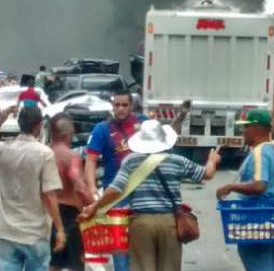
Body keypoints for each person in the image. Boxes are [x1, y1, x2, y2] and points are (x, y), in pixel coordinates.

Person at [79, 120, 221, 271]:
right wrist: (212, 160)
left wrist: (95, 207)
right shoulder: (178, 161)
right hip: (170, 223)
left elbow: (115, 189)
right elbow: (207, 174)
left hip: (141, 223)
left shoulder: (131, 161)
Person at [84, 92, 189, 271]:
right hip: (117, 199)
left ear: (131, 106)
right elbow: (91, 160)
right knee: (120, 250)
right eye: (117, 105)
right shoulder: (102, 129)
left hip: (143, 197)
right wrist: (92, 188)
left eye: (124, 105)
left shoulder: (143, 124)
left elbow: (167, 136)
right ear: (112, 106)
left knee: (147, 250)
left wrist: (181, 116)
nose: (120, 109)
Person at [216, 109, 274, 271]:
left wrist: (230, 186)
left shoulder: (260, 152)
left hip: (259, 222)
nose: (243, 131)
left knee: (257, 261)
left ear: (256, 129)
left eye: (246, 127)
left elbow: (259, 185)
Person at [0, 107, 66, 271]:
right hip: (35, 232)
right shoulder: (44, 154)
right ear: (39, 126)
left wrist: (3, 115)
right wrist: (60, 229)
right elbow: (49, 195)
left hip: (7, 231)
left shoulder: (4, 150)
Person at [49, 113, 94, 271]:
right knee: (76, 263)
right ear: (69, 134)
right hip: (69, 215)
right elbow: (79, 185)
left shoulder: (43, 154)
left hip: (48, 214)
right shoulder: (71, 157)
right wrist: (93, 204)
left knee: (53, 263)